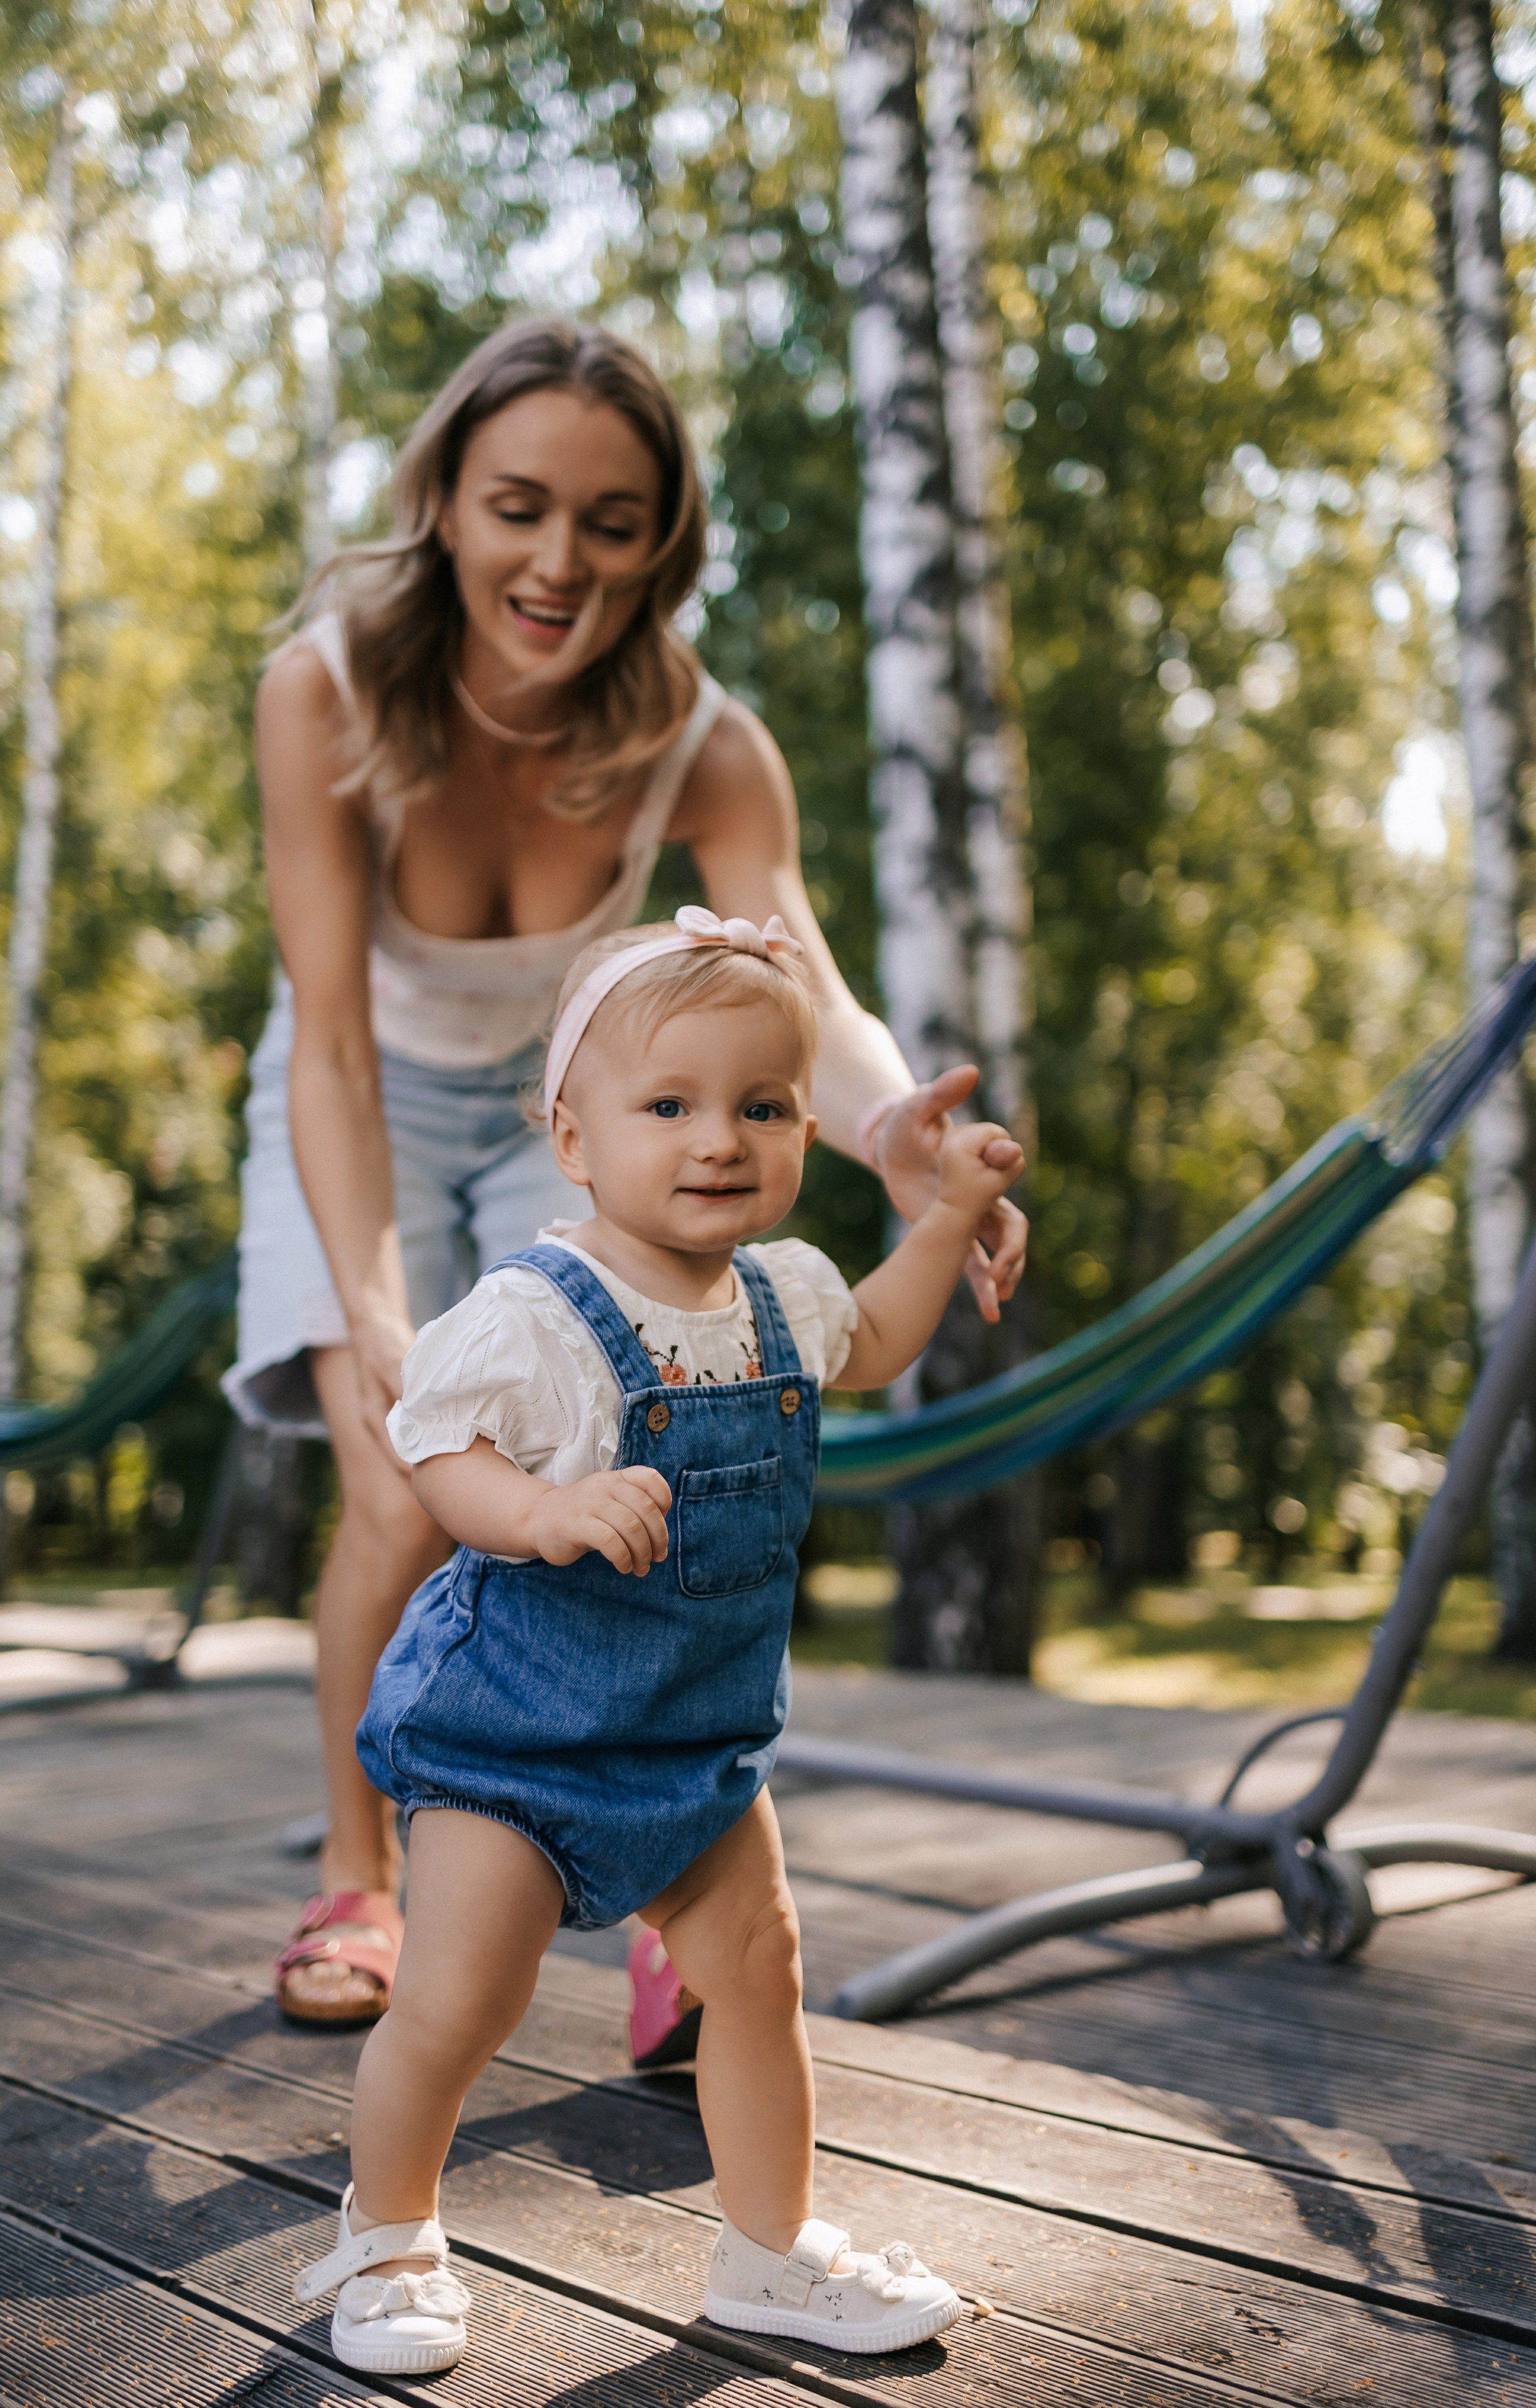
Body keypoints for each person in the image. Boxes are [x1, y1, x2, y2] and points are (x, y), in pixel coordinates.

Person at [223, 314, 1027, 2025]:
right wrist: (374, 1315)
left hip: (596, 1115)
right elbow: (336, 1042)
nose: (558, 562)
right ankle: (361, 1880)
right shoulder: (330, 691)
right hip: (357, 1098)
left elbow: (804, 977)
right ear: (443, 496)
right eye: (519, 506)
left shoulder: (700, 740)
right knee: (394, 1480)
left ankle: (679, 1885)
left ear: (663, 544)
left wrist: (893, 1132)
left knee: (649, 1440)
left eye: (611, 522)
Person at [289, 910, 1025, 2374]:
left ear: (804, 1126)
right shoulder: (536, 1312)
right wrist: (543, 1510)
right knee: (457, 2002)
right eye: (669, 1105)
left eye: (761, 1107)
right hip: (515, 1739)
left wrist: (939, 1219)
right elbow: (435, 1446)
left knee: (758, 1968)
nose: (719, 1139)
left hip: (691, 1744)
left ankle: (769, 2253)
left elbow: (871, 1342)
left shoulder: (782, 1298)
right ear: (573, 1136)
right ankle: (388, 2240)